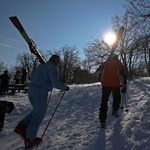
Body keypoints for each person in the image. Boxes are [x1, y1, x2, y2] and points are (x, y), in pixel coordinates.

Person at [14, 55, 69, 148]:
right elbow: (55, 82)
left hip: (31, 90)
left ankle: (22, 126)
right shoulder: (52, 68)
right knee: (38, 115)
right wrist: (65, 87)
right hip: (40, 91)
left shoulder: (41, 66)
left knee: (36, 112)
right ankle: (30, 138)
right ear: (56, 62)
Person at [99, 55, 127, 128]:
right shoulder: (118, 65)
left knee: (104, 101)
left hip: (105, 85)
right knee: (116, 97)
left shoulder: (104, 64)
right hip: (115, 85)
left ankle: (102, 119)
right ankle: (115, 110)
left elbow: (101, 72)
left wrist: (102, 81)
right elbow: (123, 76)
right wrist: (124, 87)